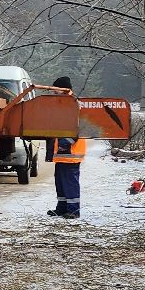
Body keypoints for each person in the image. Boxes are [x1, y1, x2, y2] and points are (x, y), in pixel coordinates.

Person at [46, 76, 85, 219]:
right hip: (63, 154)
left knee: (70, 183)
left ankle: (73, 210)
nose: (53, 93)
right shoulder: (65, 103)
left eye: (55, 90)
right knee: (61, 183)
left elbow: (78, 128)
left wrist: (64, 143)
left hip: (70, 152)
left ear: (63, 89)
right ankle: (62, 208)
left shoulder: (72, 104)